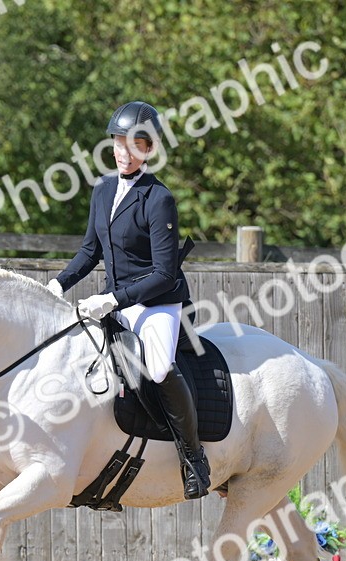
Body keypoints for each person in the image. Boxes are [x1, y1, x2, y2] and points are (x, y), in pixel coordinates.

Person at [48, 100, 211, 500]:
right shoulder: (103, 190)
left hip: (157, 304)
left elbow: (163, 273)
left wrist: (112, 300)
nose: (125, 151)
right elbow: (90, 252)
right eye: (120, 143)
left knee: (157, 368)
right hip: (117, 301)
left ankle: (193, 458)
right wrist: (58, 284)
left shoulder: (159, 199)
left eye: (135, 144)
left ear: (149, 150)